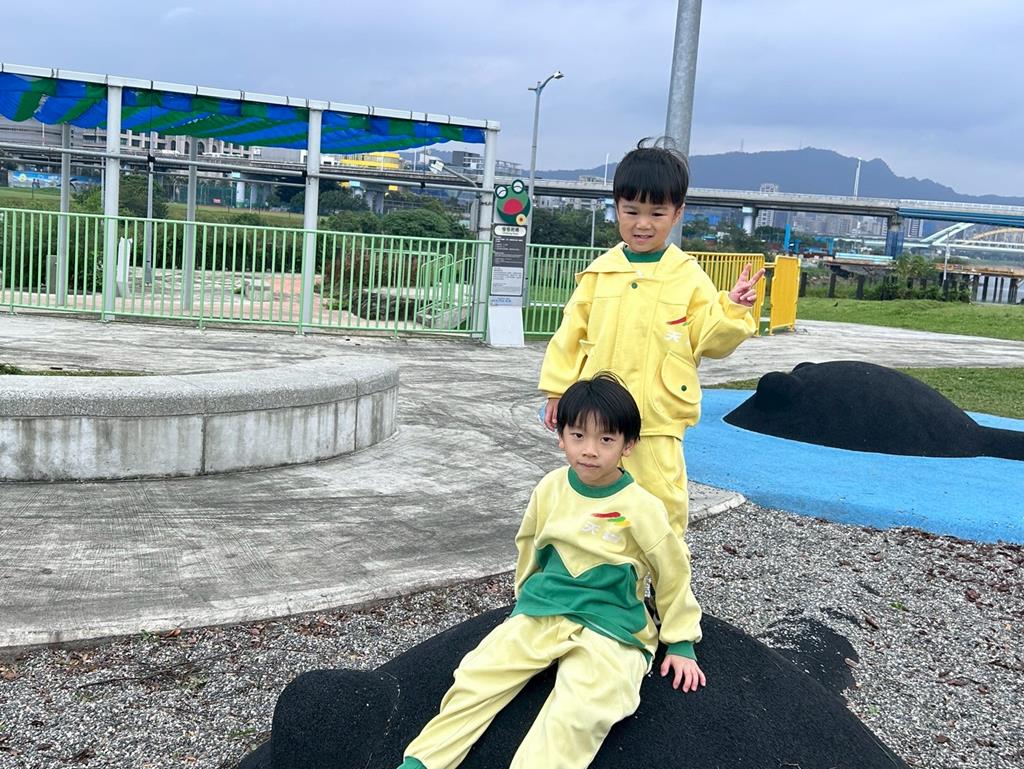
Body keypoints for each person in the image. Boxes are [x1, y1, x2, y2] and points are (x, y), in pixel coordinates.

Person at [395, 374, 704, 769]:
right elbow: (530, 545)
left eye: (606, 439)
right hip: (546, 606)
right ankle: (423, 761)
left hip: (611, 621)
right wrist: (523, 601)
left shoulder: (642, 507)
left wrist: (680, 641)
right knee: (478, 673)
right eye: (578, 436)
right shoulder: (550, 488)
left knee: (584, 705)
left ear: (628, 445)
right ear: (561, 437)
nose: (589, 450)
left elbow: (672, 572)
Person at [539, 139, 764, 540]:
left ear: (677, 213)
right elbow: (570, 334)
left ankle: (663, 572)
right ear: (616, 208)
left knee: (661, 502)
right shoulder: (600, 273)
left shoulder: (688, 276)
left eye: (657, 213)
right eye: (632, 211)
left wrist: (732, 308)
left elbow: (710, 340)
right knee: (597, 498)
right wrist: (558, 390)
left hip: (658, 418)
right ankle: (603, 567)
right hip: (599, 420)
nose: (643, 224)